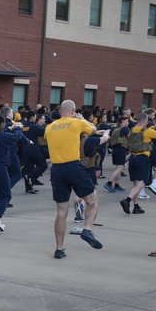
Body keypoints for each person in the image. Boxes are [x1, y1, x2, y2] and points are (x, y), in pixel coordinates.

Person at [44, 100, 102, 259]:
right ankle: (87, 229)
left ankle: (59, 248)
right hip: (73, 166)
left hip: (56, 169)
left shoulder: (49, 127)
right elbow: (94, 130)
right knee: (92, 201)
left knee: (61, 210)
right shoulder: (76, 123)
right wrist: (81, 118)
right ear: (73, 110)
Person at [120, 110, 156, 215]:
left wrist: (154, 126)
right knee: (142, 183)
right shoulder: (146, 132)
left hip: (133, 158)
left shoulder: (132, 130)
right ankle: (127, 200)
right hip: (142, 158)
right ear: (145, 121)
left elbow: (147, 131)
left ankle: (136, 206)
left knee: (136, 184)